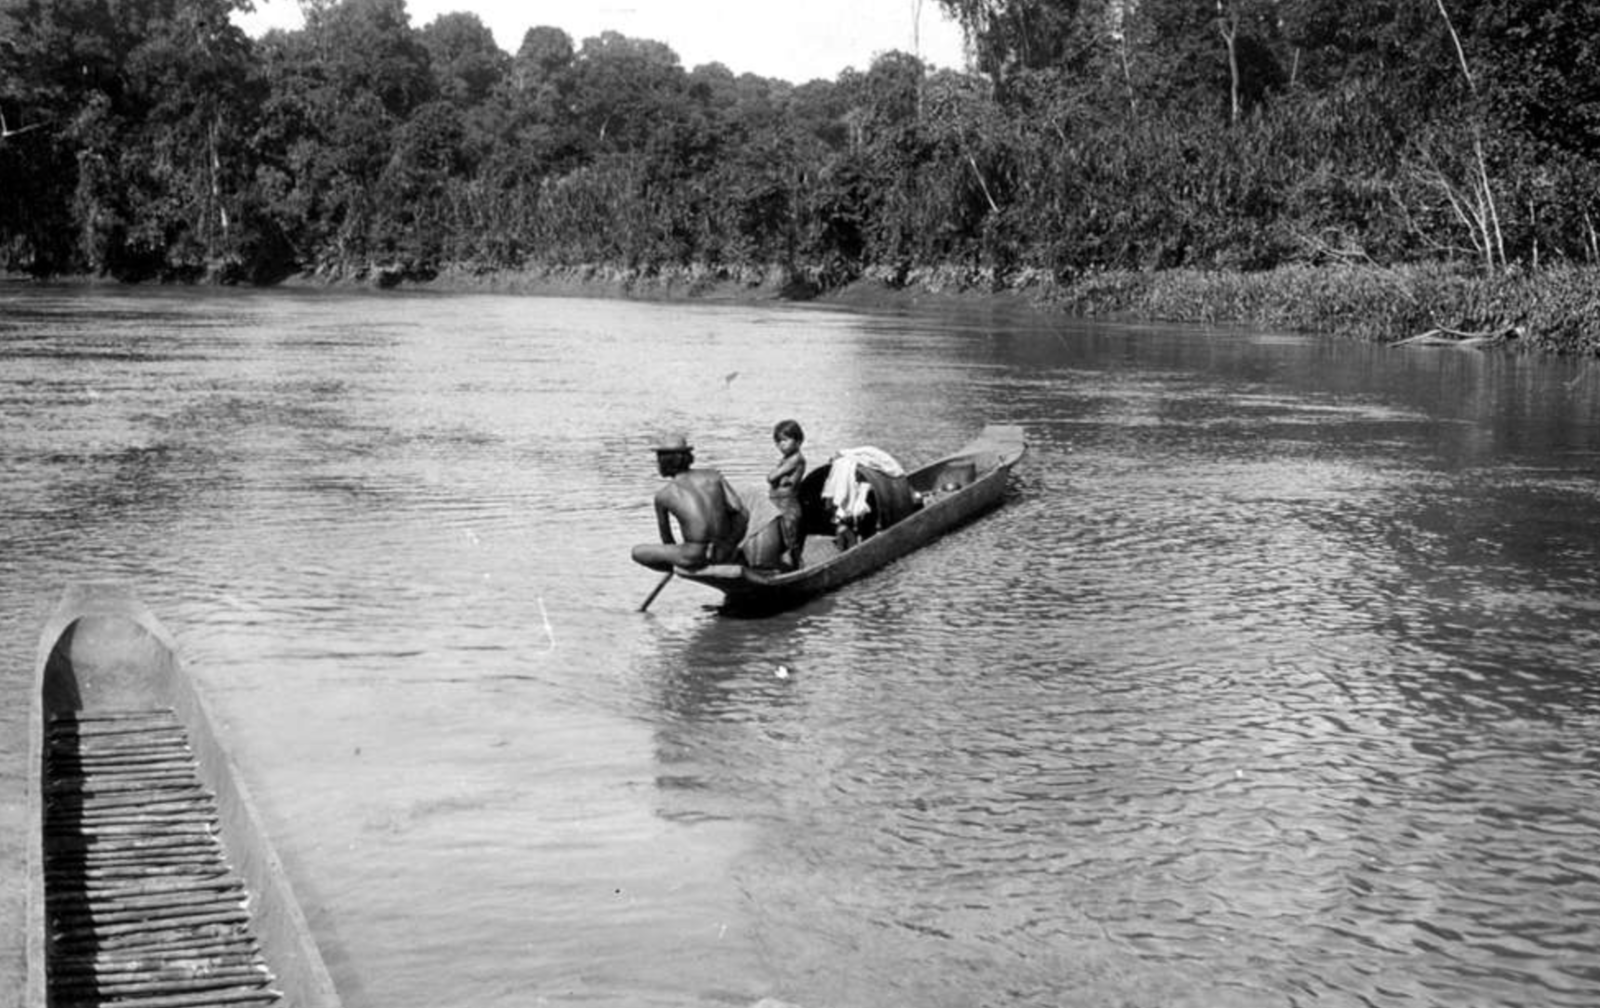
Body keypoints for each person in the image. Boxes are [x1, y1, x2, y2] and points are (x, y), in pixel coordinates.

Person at [630, 433, 749, 571]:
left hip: (694, 556)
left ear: (663, 462)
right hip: (722, 552)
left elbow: (667, 540)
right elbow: (741, 512)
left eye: (658, 461)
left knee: (637, 551)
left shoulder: (664, 495)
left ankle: (678, 568)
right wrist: (730, 544)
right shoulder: (714, 476)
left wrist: (678, 556)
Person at [767, 419, 807, 570]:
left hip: (787, 504)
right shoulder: (786, 459)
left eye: (785, 440)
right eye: (777, 441)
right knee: (779, 538)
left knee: (790, 539)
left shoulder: (796, 459)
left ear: (798, 440)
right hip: (777, 503)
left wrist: (774, 476)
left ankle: (797, 568)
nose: (780, 444)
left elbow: (771, 477)